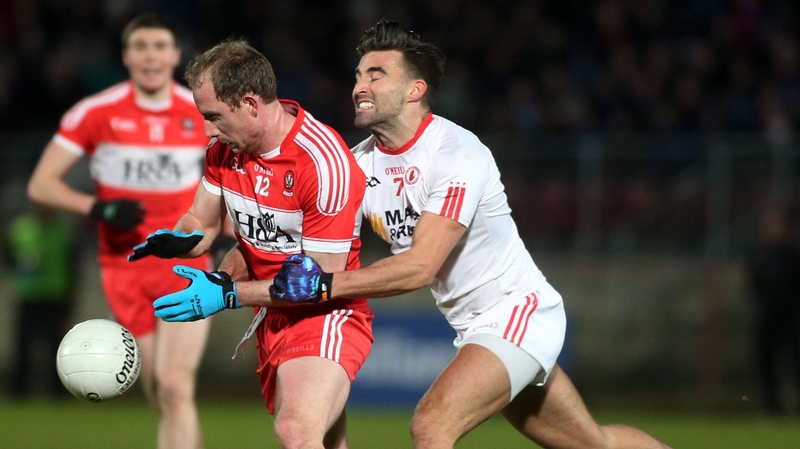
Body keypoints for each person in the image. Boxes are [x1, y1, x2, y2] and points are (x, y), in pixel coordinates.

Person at [270, 20, 673, 449]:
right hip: (476, 331)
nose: (359, 86)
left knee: (431, 424)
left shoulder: (458, 153)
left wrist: (323, 285)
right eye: (357, 76)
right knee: (595, 445)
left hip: (519, 314)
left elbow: (421, 267)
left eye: (376, 74)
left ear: (415, 90)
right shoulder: (355, 166)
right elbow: (301, 233)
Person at [130, 39, 373, 449]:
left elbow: (315, 285)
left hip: (326, 314)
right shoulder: (224, 151)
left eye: (214, 117)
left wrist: (226, 294)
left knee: (296, 431)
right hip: (270, 315)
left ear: (250, 103)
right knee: (327, 441)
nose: (207, 130)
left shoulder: (323, 164)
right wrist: (182, 238)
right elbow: (204, 224)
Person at [27, 13, 214, 449]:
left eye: (160, 46)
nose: (151, 56)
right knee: (156, 389)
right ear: (127, 55)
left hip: (183, 263)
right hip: (123, 266)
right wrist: (98, 207)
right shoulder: (96, 112)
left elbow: (228, 179)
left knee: (173, 386)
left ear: (174, 54)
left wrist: (214, 228)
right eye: (141, 47)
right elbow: (41, 184)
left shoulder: (199, 111)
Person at [5, 204, 78, 397]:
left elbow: (73, 265)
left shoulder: (62, 232)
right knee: (23, 348)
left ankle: (58, 392)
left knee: (57, 349)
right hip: (27, 296)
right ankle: (19, 392)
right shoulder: (19, 229)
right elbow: (9, 259)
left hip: (55, 296)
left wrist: (70, 299)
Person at [748, 204, 800, 415]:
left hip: (791, 319)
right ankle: (771, 406)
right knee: (766, 364)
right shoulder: (760, 255)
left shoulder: (793, 256)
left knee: (795, 362)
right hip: (767, 319)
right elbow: (754, 285)